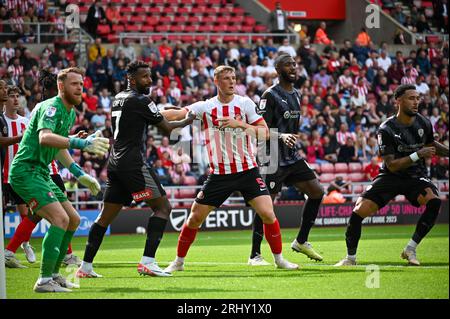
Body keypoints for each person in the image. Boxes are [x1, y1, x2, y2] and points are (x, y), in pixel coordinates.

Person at [161, 65, 299, 273]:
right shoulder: (205, 107)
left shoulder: (245, 104)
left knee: (268, 213)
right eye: (226, 78)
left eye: (234, 78)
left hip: (248, 171)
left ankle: (279, 259)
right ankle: (178, 261)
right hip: (220, 175)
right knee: (195, 218)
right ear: (217, 82)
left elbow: (264, 132)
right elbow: (178, 113)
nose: (232, 82)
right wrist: (151, 112)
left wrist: (239, 124)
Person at [76, 61, 195, 279]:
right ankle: (148, 262)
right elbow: (167, 129)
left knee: (104, 217)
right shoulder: (141, 100)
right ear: (131, 79)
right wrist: (189, 119)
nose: (150, 80)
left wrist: (166, 113)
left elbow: (150, 118)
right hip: (133, 164)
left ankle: (85, 267)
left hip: (115, 163)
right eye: (144, 77)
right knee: (163, 208)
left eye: (150, 76)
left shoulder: (118, 98)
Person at [8, 67, 109, 293]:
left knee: (72, 219)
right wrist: (80, 143)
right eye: (74, 84)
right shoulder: (52, 107)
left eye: (81, 84)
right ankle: (43, 281)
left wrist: (80, 173)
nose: (79, 88)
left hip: (41, 171)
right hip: (25, 171)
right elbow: (45, 138)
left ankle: (54, 275)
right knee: (60, 219)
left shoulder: (70, 112)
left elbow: (58, 147)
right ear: (61, 86)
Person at [335, 84, 449, 267]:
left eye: (417, 98)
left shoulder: (424, 123)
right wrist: (418, 154)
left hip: (415, 176)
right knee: (358, 212)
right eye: (411, 98)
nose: (416, 102)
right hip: (390, 175)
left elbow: (431, 144)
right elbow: (392, 165)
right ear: (398, 101)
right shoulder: (386, 129)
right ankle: (350, 259)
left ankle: (410, 249)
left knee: (434, 201)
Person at [245, 54, 325, 265]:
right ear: (278, 69)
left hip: (291, 156)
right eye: (288, 64)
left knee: (317, 192)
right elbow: (258, 130)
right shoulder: (269, 95)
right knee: (266, 206)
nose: (293, 67)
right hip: (271, 156)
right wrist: (280, 137)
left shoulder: (297, 94)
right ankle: (255, 254)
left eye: (295, 64)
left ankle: (301, 241)